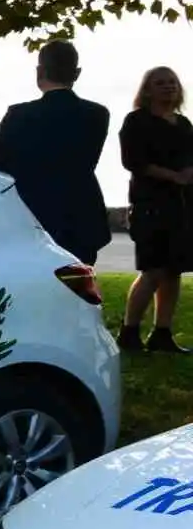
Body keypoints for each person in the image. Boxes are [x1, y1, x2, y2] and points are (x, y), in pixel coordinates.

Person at [0, 41, 111, 267]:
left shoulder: (19, 114)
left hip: (32, 213)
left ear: (40, 71)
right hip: (80, 214)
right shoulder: (97, 114)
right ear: (77, 73)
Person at [117, 66, 193, 353]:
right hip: (150, 205)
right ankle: (129, 331)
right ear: (147, 90)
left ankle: (162, 333)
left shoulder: (183, 124)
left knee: (174, 271)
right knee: (153, 270)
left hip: (182, 206)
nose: (168, 87)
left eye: (172, 82)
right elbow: (133, 161)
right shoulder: (137, 121)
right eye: (160, 83)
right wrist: (173, 176)